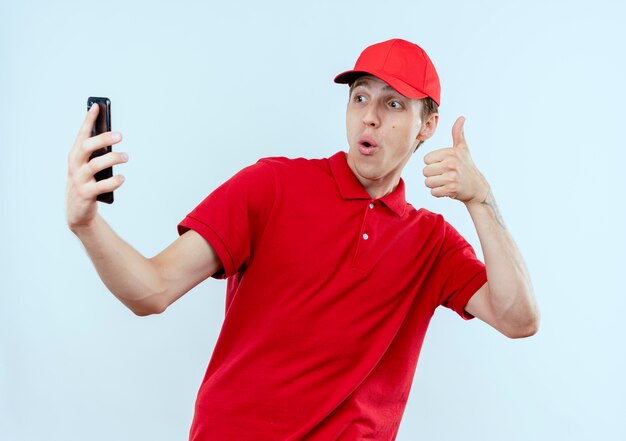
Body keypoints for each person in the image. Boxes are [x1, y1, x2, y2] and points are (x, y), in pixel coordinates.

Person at [66, 38, 539, 440]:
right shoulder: (270, 186)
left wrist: (481, 199)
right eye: (360, 97)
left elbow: (518, 319)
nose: (369, 117)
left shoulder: (431, 243)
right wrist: (87, 225)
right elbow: (152, 289)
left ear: (428, 126)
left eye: (392, 103)